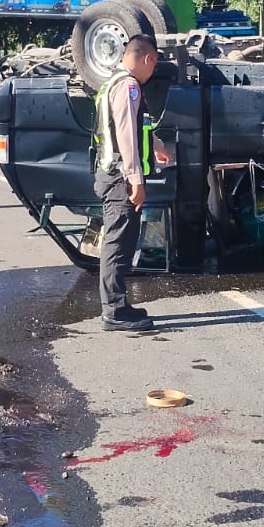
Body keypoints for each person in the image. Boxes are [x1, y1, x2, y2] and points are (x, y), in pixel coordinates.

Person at [93, 35, 172, 331]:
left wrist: (156, 143)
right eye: (154, 66)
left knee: (122, 240)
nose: (152, 73)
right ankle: (114, 311)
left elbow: (130, 127)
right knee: (117, 242)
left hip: (111, 173)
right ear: (148, 59)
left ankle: (119, 304)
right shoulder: (129, 86)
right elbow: (126, 135)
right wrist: (136, 180)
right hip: (120, 177)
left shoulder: (113, 82)